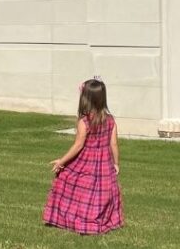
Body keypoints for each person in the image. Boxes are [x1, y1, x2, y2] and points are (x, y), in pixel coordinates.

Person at [43, 78, 123, 235]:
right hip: (104, 164)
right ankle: (100, 219)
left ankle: (76, 219)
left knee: (69, 183)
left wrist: (62, 161)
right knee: (100, 192)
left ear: (85, 98)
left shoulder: (84, 121)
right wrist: (116, 163)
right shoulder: (110, 120)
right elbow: (113, 144)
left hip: (86, 162)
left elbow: (78, 145)